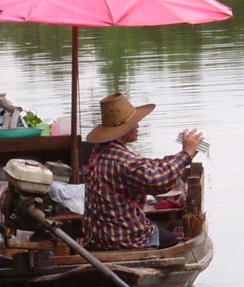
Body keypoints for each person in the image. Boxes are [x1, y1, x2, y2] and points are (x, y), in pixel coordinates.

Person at [82, 92, 205, 252]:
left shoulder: (100, 152)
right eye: (135, 123)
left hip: (98, 236)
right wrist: (186, 154)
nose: (138, 126)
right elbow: (160, 181)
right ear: (124, 129)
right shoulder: (122, 159)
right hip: (124, 237)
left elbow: (146, 166)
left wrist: (182, 155)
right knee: (171, 240)